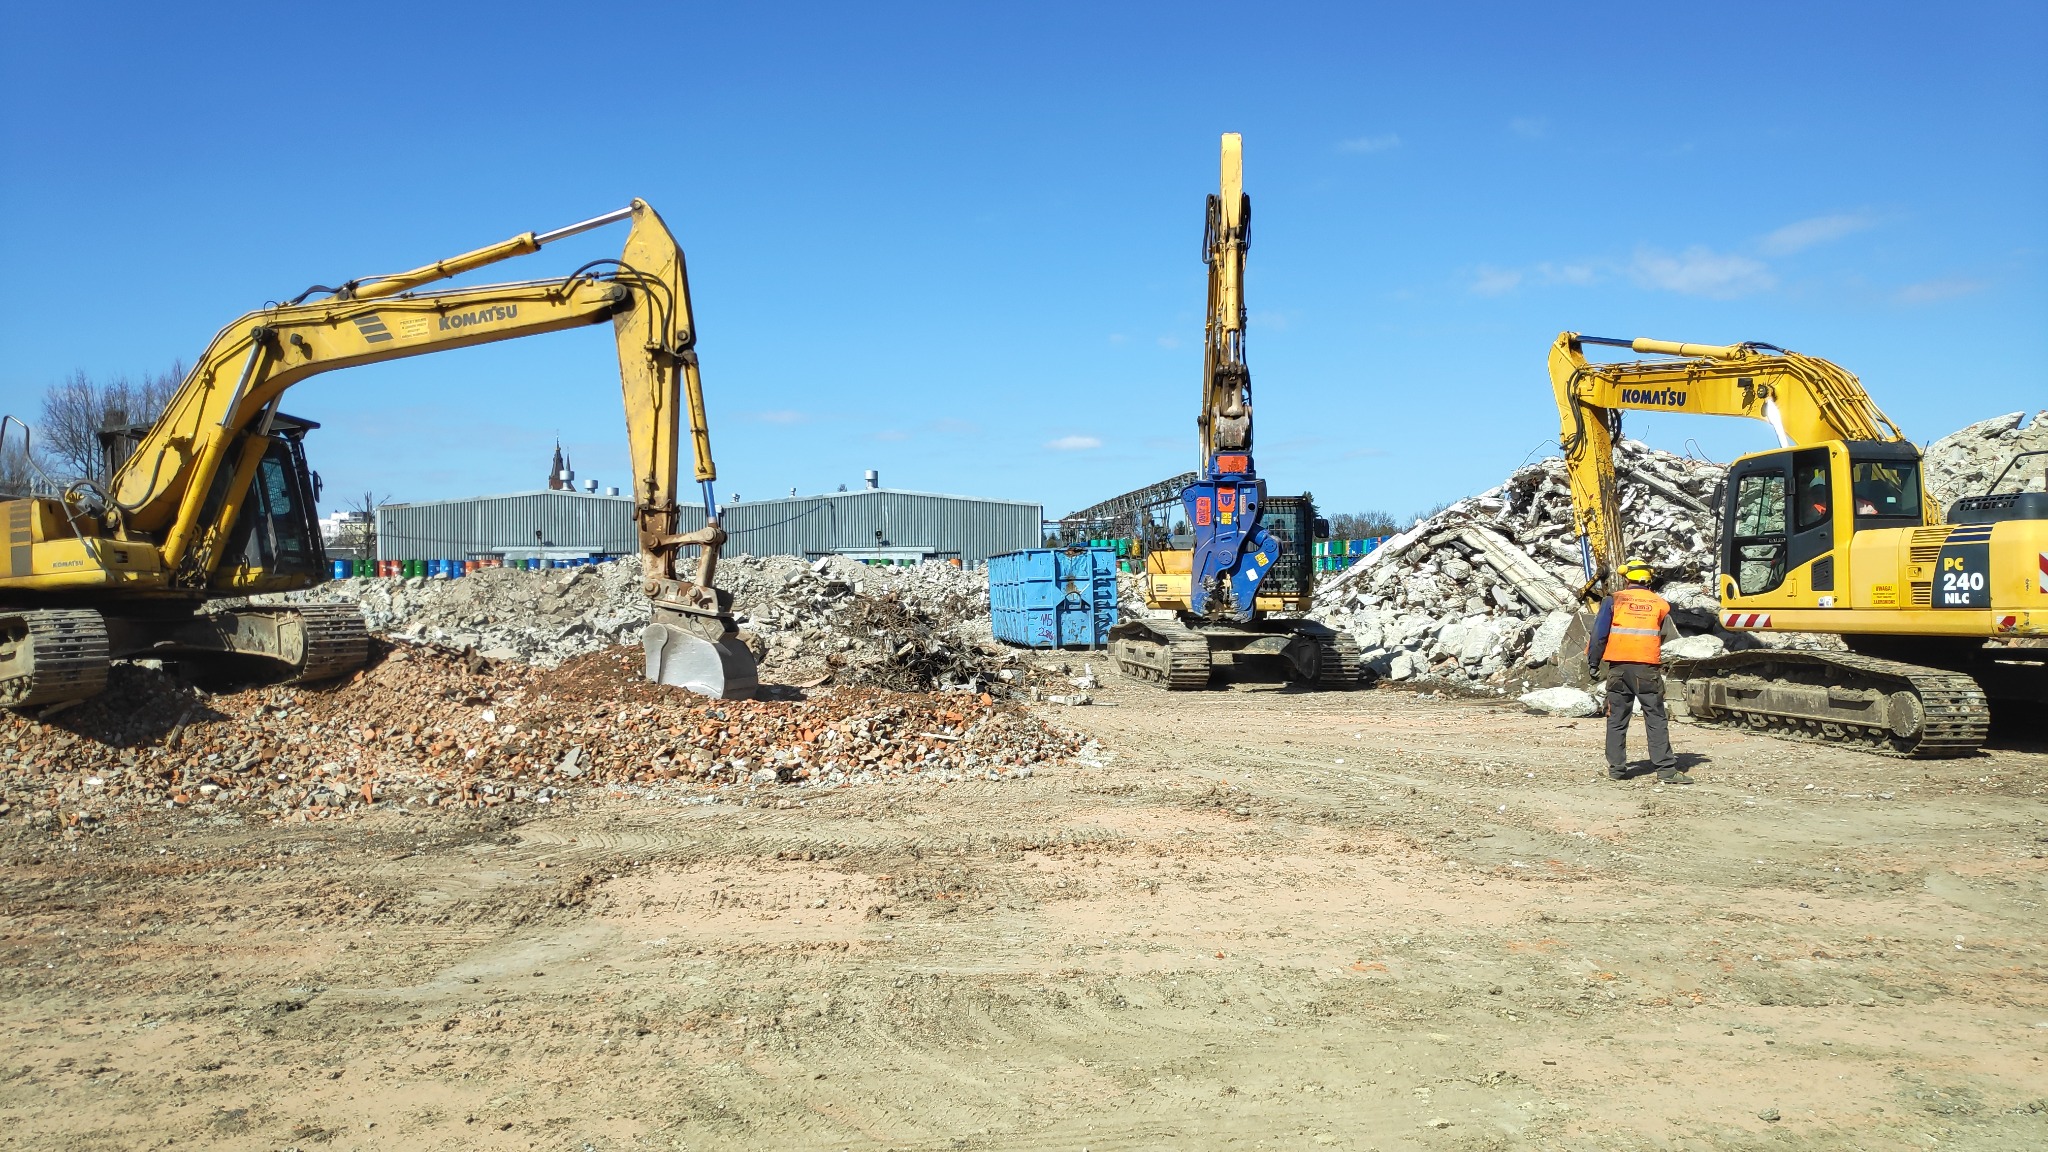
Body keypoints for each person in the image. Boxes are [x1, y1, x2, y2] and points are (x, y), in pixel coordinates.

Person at [1587, 557, 1687, 783]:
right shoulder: (1660, 604)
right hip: (1647, 669)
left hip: (1619, 669)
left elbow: (1599, 634)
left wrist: (1593, 662)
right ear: (1648, 579)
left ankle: (1617, 770)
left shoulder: (1614, 600)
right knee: (1656, 717)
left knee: (1617, 718)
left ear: (1626, 578)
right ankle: (1666, 771)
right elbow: (1662, 633)